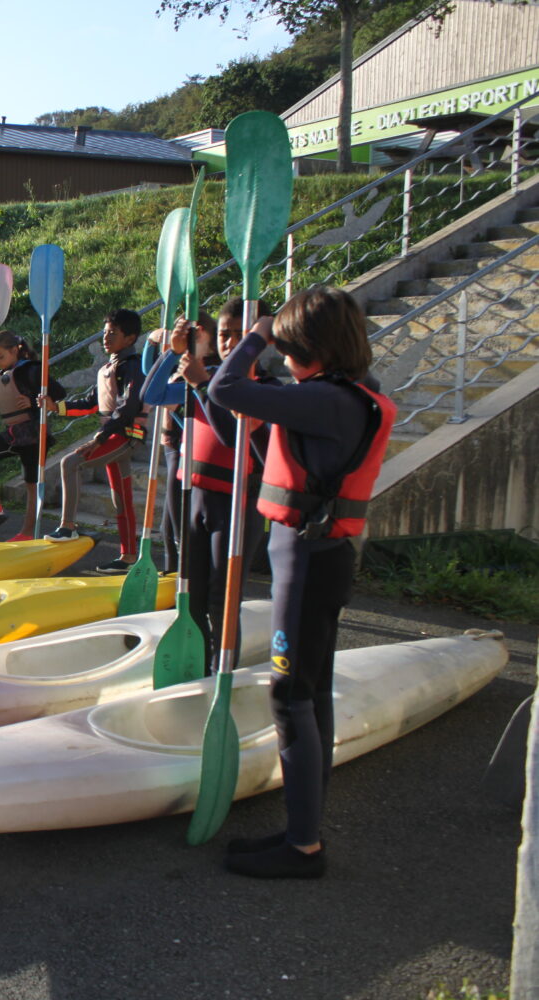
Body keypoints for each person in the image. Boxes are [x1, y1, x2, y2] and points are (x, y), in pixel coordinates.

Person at [207, 285, 395, 880]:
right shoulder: (350, 396)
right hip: (320, 557)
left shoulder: (325, 400)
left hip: (308, 561)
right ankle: (303, 826)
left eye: (288, 348)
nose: (281, 358)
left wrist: (257, 334)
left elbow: (225, 387)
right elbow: (253, 428)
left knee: (290, 696)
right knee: (311, 692)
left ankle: (304, 845)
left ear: (310, 347)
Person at [145, 299, 274, 662]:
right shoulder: (202, 374)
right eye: (224, 334)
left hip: (235, 506)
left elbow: (236, 438)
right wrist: (173, 353)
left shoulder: (265, 386)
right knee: (192, 597)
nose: (231, 343)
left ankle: (224, 674)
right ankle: (197, 669)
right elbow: (151, 395)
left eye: (240, 335)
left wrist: (203, 387)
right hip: (196, 500)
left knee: (222, 598)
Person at [42, 308, 147, 573]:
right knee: (120, 499)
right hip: (112, 434)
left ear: (131, 338)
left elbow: (128, 407)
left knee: (70, 463)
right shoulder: (108, 367)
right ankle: (129, 556)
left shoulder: (132, 367)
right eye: (105, 331)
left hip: (123, 436)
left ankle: (68, 527)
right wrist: (57, 407)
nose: (106, 337)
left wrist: (99, 439)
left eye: (113, 333)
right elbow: (92, 403)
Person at [142, 313, 219, 574]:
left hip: (204, 462)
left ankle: (189, 580)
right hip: (180, 450)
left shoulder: (215, 375)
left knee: (184, 527)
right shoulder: (183, 371)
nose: (190, 338)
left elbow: (153, 392)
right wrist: (158, 346)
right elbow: (150, 385)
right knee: (169, 525)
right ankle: (176, 577)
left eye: (196, 333)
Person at [0, 329, 58, 540]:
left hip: (33, 433)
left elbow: (57, 393)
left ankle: (27, 533)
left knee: (31, 484)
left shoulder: (31, 370)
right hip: (15, 432)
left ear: (15, 350)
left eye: (1, 357)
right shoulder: (0, 376)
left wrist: (35, 401)